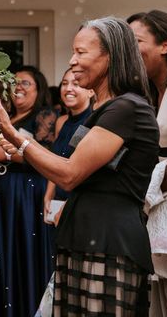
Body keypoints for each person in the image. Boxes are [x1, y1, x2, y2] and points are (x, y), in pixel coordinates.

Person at [0, 16, 159, 316]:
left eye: (81, 52)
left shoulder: (126, 108)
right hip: (85, 238)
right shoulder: (105, 110)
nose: (72, 60)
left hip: (109, 244)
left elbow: (69, 174)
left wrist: (16, 138)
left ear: (111, 56)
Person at [0, 65, 57, 317]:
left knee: (23, 253)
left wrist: (9, 154)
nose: (18, 87)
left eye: (26, 83)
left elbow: (47, 157)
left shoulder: (44, 116)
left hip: (26, 194)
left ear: (39, 89)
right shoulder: (3, 118)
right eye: (14, 83)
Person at [128, 10, 167, 317]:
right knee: (161, 293)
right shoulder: (151, 87)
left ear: (165, 45)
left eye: (136, 40)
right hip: (163, 194)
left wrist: (150, 191)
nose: (130, 48)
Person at [43, 68, 94, 222]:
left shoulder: (91, 122)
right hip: (58, 198)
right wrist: (48, 195)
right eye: (64, 83)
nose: (68, 88)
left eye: (76, 84)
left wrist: (70, 203)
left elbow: (86, 170)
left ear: (90, 91)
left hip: (81, 200)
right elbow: (57, 159)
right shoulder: (61, 122)